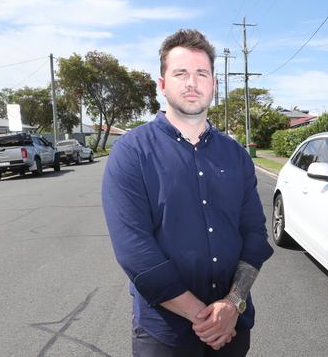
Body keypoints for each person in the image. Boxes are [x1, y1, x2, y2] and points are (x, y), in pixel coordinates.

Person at [102, 29, 273, 356]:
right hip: (164, 336)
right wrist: (206, 318)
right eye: (180, 73)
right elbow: (134, 251)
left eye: (201, 73)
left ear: (214, 84)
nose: (192, 82)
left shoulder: (236, 155)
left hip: (233, 331)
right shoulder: (131, 153)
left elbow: (254, 235)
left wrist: (232, 304)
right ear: (162, 84)